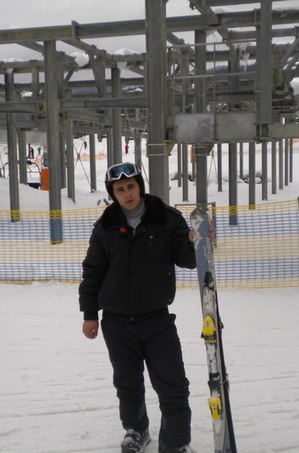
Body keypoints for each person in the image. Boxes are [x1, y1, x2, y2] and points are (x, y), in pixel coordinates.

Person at [79, 162, 197, 453]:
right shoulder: (106, 226)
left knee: (173, 383)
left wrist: (197, 242)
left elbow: (188, 259)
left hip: (157, 319)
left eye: (131, 186)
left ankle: (175, 443)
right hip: (117, 322)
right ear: (113, 194)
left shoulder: (166, 218)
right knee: (127, 383)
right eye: (120, 189)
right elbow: (93, 271)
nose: (127, 193)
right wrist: (90, 314)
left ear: (140, 187)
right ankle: (136, 430)